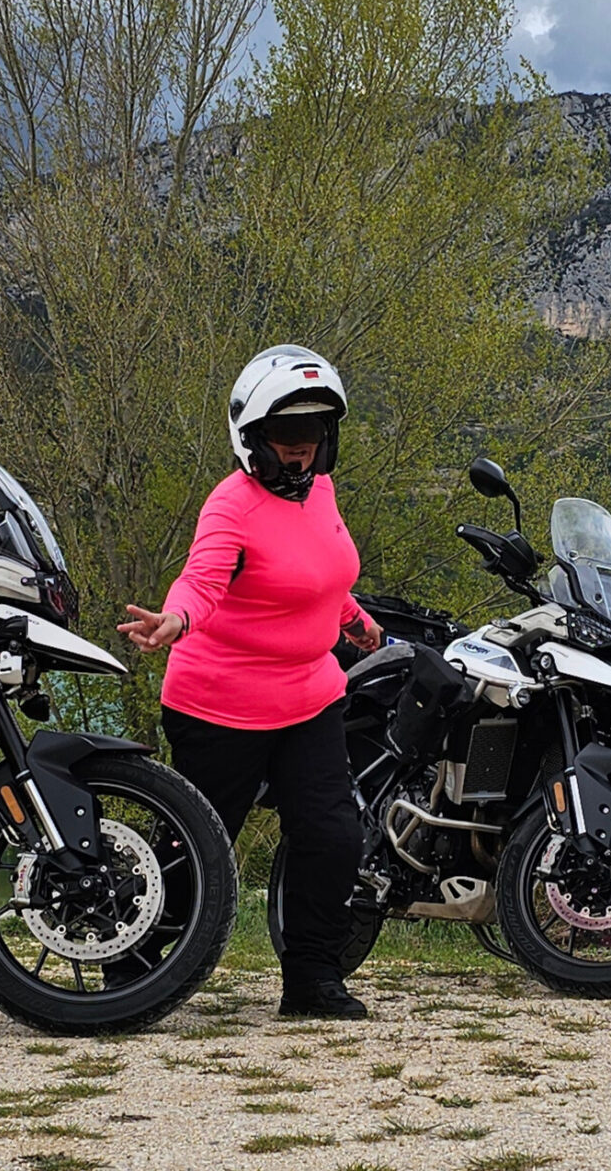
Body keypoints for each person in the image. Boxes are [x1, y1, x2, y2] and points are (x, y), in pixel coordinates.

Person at [117, 345, 383, 1019]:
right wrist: (175, 619)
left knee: (333, 836)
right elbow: (203, 581)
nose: (301, 452)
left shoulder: (321, 490)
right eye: (289, 438)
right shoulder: (230, 506)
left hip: (309, 696)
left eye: (313, 437)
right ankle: (132, 967)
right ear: (253, 438)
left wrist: (353, 619)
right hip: (220, 707)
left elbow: (322, 571)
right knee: (197, 850)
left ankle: (312, 982)